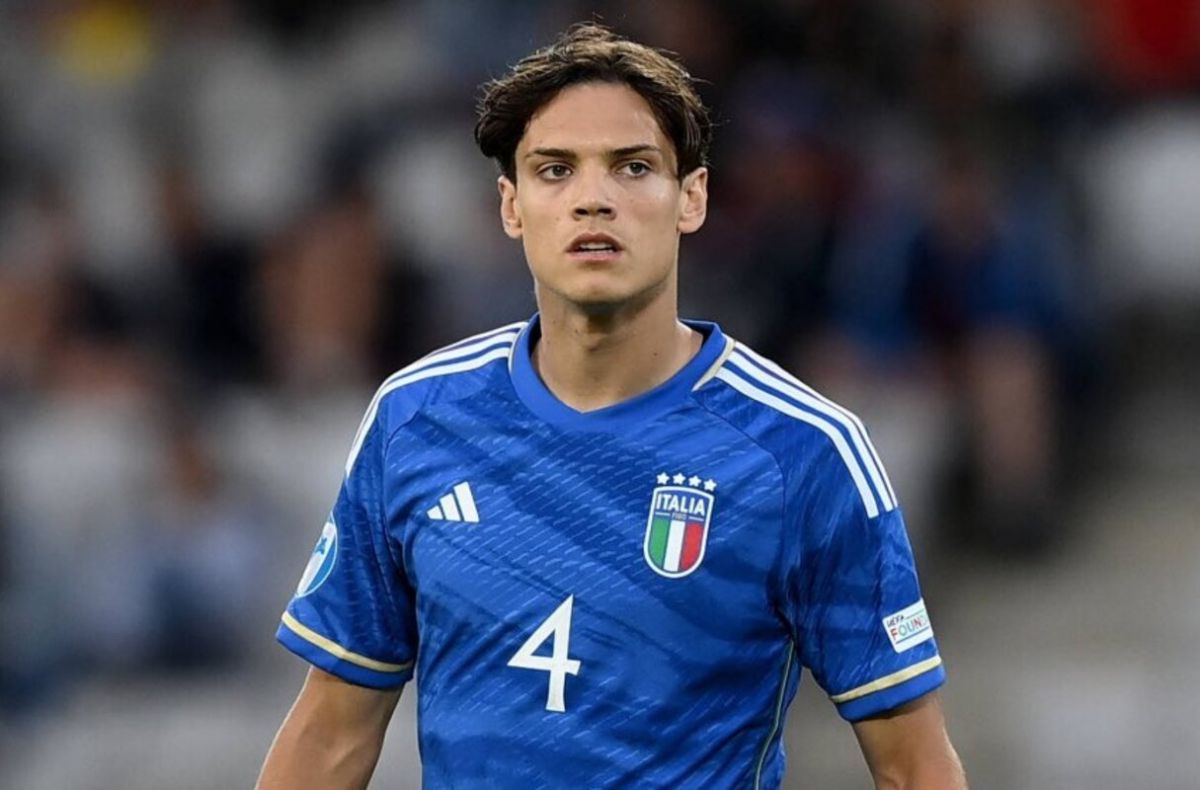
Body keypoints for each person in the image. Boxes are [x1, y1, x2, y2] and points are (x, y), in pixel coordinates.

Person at [257, 23, 966, 789]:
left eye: (633, 167)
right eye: (555, 170)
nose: (593, 199)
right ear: (511, 206)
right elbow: (331, 734)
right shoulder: (416, 419)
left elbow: (913, 764)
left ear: (692, 197)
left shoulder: (802, 452)